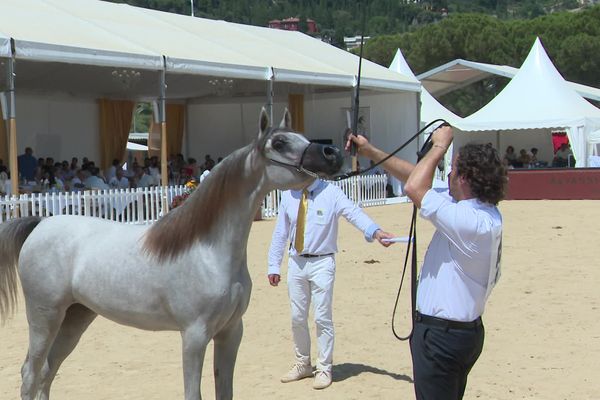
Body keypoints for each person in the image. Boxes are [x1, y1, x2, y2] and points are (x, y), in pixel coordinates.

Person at [346, 125, 507, 400]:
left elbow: (414, 187)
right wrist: (371, 152)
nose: (449, 175)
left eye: (453, 171)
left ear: (465, 179)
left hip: (442, 336)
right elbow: (416, 177)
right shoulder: (481, 212)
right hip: (461, 332)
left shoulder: (468, 222)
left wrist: (439, 147)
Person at [267, 178, 394, 390]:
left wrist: (376, 232)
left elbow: (354, 213)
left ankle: (324, 367)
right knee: (297, 317)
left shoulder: (332, 192)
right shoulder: (289, 194)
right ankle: (303, 363)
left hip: (322, 262)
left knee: (322, 317)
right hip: (296, 262)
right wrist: (273, 265)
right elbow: (281, 231)